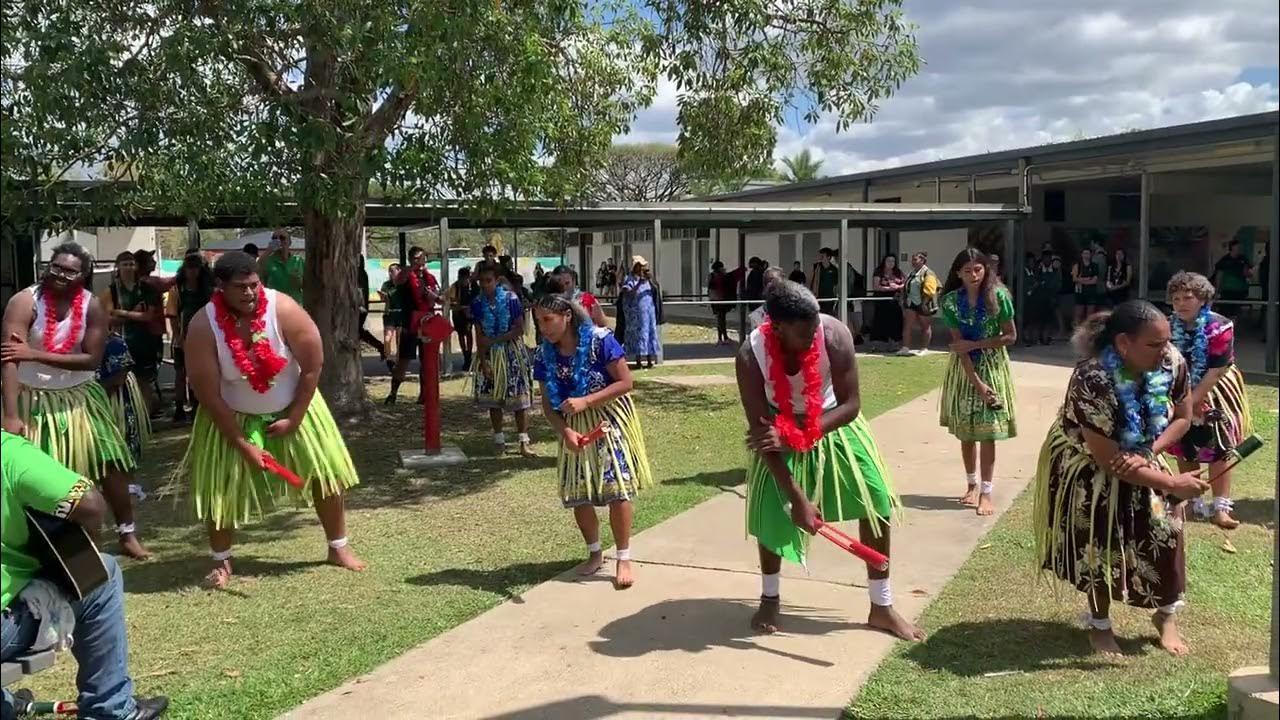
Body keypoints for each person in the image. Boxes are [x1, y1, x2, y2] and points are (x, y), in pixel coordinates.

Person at [735, 280, 922, 640]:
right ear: (777, 327)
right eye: (803, 334)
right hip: (776, 427)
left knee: (876, 501)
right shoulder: (750, 355)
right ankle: (770, 597)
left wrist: (799, 434)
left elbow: (852, 404)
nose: (812, 338)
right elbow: (762, 436)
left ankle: (881, 606)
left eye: (815, 328)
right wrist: (797, 499)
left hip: (832, 420)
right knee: (771, 509)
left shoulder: (834, 335)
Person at [178, 251, 365, 588]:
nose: (250, 292)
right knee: (220, 488)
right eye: (240, 287)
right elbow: (208, 395)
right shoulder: (204, 325)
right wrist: (243, 444)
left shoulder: (284, 310)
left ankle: (338, 547)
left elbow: (313, 366)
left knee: (327, 476)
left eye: (254, 285)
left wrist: (295, 418)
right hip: (232, 416)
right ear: (220, 287)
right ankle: (222, 561)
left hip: (295, 408)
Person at [1032, 300, 1205, 656]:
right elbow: (1108, 459)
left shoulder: (1171, 361)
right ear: (1124, 343)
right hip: (1091, 464)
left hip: (1143, 451)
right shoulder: (1092, 378)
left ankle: (1166, 616)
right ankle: (1100, 624)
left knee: (1167, 532)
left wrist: (1149, 452)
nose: (1165, 350)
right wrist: (1172, 484)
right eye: (1154, 344)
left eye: (1167, 341)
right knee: (1098, 541)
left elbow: (1183, 417)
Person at [1, 432, 170, 720]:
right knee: (103, 572)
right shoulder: (9, 452)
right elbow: (89, 503)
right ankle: (111, 708)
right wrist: (84, 547)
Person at [2, 243, 150, 560]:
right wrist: (11, 415)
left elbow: (91, 360)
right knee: (46, 474)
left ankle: (127, 533)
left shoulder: (92, 305)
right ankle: (53, 547)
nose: (60, 274)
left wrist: (33, 354)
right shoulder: (24, 302)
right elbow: (10, 360)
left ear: (83, 275)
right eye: (56, 267)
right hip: (34, 399)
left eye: (70, 271)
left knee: (112, 464)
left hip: (82, 397)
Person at [532, 292, 651, 589]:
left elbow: (626, 382)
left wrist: (587, 401)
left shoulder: (600, 341)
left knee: (617, 489)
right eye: (538, 322)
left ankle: (623, 557)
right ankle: (595, 553)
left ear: (567, 316)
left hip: (608, 421)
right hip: (572, 426)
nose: (543, 328)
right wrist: (565, 432)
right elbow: (548, 405)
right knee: (579, 493)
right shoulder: (543, 355)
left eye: (548, 319)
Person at [1166, 272, 1253, 530]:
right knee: (1184, 445)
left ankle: (1220, 508)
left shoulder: (1220, 326)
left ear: (1203, 299)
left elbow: (1217, 369)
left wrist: (1192, 403)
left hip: (1215, 388)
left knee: (1219, 447)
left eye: (1188, 298)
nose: (1181, 304)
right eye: (1176, 299)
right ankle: (1193, 503)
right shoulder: (1167, 326)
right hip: (1179, 388)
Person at [938, 248, 1018, 516]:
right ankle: (971, 484)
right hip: (965, 369)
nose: (974, 275)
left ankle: (986, 491)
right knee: (967, 431)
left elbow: (1010, 336)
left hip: (993, 365)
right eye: (967, 271)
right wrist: (977, 384)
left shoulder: (999, 296)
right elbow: (959, 346)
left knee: (988, 432)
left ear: (986, 269)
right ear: (958, 273)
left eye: (978, 269)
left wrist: (978, 344)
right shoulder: (950, 302)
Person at [470, 261, 534, 456]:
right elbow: (479, 334)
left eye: (488, 280)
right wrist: (483, 361)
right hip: (489, 354)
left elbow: (519, 329)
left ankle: (523, 441)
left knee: (519, 399)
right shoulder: (477, 303)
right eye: (481, 281)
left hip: (511, 353)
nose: (484, 285)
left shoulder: (510, 299)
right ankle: (499, 440)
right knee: (493, 399)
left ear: (497, 281)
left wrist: (494, 340)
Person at [99, 251, 164, 415]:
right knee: (118, 384)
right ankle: (123, 421)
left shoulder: (146, 289)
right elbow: (108, 319)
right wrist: (134, 313)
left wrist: (122, 313)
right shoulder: (111, 291)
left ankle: (145, 421)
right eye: (125, 264)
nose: (128, 267)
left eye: (131, 264)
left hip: (144, 343)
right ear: (118, 267)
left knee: (144, 384)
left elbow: (148, 316)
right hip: (120, 345)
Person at [165, 251, 215, 422]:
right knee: (180, 373)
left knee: (200, 373)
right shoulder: (177, 290)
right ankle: (179, 408)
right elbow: (172, 316)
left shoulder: (208, 290)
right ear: (184, 270)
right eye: (189, 268)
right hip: (182, 337)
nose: (192, 272)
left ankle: (197, 406)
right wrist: (178, 337)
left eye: (196, 268)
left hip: (204, 338)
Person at [387, 246, 439, 405]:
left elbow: (438, 298)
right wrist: (412, 267)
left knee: (427, 360)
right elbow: (398, 280)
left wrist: (434, 296)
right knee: (404, 361)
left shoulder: (429, 277)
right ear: (410, 259)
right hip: (410, 323)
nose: (420, 261)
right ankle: (393, 393)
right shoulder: (406, 275)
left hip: (427, 322)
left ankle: (424, 394)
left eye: (422, 258)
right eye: (416, 258)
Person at [97, 332, 151, 467]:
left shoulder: (113, 343)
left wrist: (95, 400)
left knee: (119, 459)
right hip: (95, 404)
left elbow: (118, 378)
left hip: (112, 404)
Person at [620, 256, 661, 369]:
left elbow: (655, 289)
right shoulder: (630, 279)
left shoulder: (647, 280)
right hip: (637, 313)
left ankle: (649, 359)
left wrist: (650, 279)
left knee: (649, 333)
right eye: (640, 266)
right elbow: (627, 292)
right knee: (639, 334)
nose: (642, 268)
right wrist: (638, 283)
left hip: (649, 311)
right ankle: (638, 360)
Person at [900, 252, 939, 356]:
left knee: (925, 326)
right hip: (911, 302)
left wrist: (924, 303)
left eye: (915, 259)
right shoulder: (912, 273)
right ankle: (905, 348)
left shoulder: (928, 273)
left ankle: (924, 348)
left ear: (922, 261)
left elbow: (930, 290)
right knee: (907, 325)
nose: (913, 262)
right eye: (912, 260)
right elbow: (906, 286)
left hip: (924, 303)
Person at [868, 254, 906, 353]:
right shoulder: (879, 271)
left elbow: (905, 283)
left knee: (896, 322)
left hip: (895, 301)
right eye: (888, 261)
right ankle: (877, 346)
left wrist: (898, 287)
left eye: (893, 261)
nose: (891, 263)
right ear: (884, 262)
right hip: (882, 302)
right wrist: (889, 288)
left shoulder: (898, 272)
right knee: (880, 322)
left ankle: (894, 344)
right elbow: (876, 286)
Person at [1024, 250, 1061, 346]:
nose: (1046, 260)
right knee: (1036, 320)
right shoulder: (1038, 271)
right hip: (1037, 300)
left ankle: (1046, 337)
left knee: (1048, 320)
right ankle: (1034, 338)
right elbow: (1036, 283)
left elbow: (1056, 285)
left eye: (1048, 258)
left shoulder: (1055, 271)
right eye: (1045, 258)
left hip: (1050, 299)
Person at [258, 230, 305, 304]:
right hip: (275, 304)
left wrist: (300, 281)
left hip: (295, 304)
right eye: (274, 238)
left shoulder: (299, 261)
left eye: (282, 238)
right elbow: (256, 272)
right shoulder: (267, 260)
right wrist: (268, 251)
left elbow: (308, 286)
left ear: (289, 242)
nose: (278, 241)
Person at [1213, 239, 1253, 319]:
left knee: (1236, 312)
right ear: (1232, 248)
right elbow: (1219, 276)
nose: (1239, 249)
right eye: (1237, 247)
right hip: (1227, 291)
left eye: (1240, 248)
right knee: (1226, 312)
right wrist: (1217, 291)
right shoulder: (1224, 261)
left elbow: (1248, 273)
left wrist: (1248, 273)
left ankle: (1235, 323)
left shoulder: (1243, 259)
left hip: (1241, 291)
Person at [356, 256, 385, 360]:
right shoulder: (362, 273)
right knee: (359, 331)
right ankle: (379, 346)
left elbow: (359, 291)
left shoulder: (358, 273)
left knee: (358, 331)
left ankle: (379, 345)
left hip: (360, 307)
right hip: (362, 307)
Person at [448, 267, 476, 371]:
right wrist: (462, 308)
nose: (464, 281)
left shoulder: (473, 286)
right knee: (460, 334)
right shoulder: (454, 287)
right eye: (462, 278)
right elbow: (452, 303)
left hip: (470, 313)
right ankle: (465, 355)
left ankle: (469, 354)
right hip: (458, 314)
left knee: (469, 332)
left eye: (466, 278)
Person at [378, 263, 405, 371]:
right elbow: (383, 299)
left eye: (393, 271)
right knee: (387, 337)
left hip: (401, 314)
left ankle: (398, 362)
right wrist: (383, 296)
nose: (390, 273)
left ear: (399, 272)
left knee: (400, 339)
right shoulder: (386, 285)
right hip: (390, 314)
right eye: (389, 271)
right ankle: (389, 359)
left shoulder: (403, 285)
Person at [707, 261, 740, 345]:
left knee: (720, 319)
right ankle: (723, 337)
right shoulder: (721, 276)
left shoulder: (711, 275)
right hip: (721, 299)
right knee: (721, 319)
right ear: (719, 268)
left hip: (714, 299)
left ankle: (721, 338)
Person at [1072, 248, 1102, 326]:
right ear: (1082, 255)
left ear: (1090, 255)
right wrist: (1088, 278)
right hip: (1080, 292)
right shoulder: (1077, 265)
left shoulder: (1094, 265)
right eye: (1084, 253)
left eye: (1088, 253)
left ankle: (1087, 331)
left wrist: (1081, 280)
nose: (1086, 255)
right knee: (1078, 314)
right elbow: (1074, 279)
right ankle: (1076, 331)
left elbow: (1094, 281)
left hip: (1091, 292)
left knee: (1090, 315)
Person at [810, 247, 840, 316]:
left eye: (822, 256)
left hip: (829, 298)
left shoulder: (834, 270)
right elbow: (812, 281)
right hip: (818, 297)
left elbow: (836, 284)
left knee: (828, 315)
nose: (820, 258)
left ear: (829, 257)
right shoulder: (817, 268)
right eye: (820, 256)